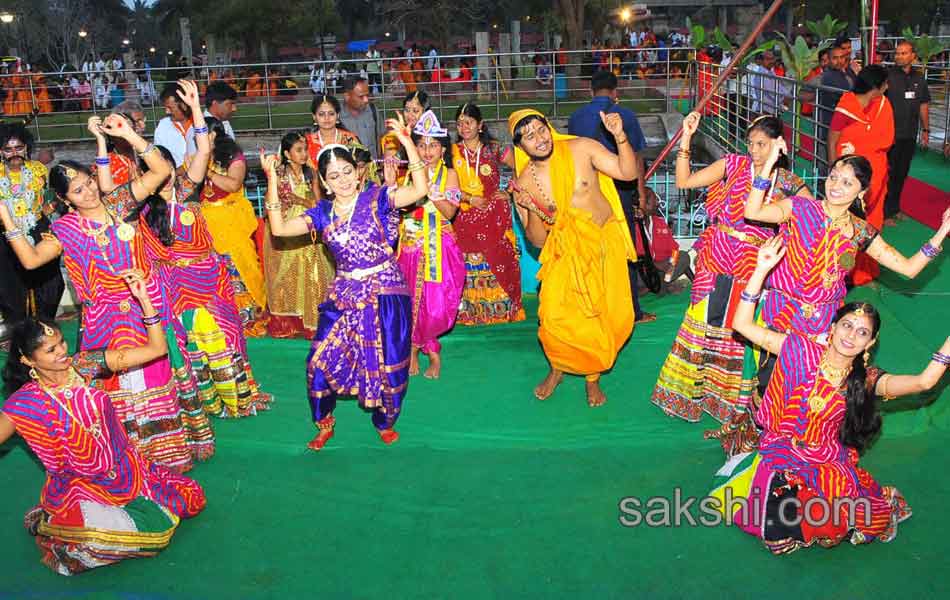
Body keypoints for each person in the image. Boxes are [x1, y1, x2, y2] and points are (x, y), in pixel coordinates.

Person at [0, 118, 214, 472]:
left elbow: (160, 170)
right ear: (64, 200)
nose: (88, 192)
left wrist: (127, 135)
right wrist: (8, 222)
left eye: (87, 183)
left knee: (156, 372)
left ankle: (168, 452)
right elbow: (31, 259)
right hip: (103, 318)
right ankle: (129, 454)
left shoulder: (120, 202)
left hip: (144, 304)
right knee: (114, 385)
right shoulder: (64, 229)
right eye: (78, 191)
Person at [712, 239, 949, 554]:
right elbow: (741, 324)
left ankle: (871, 506)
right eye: (847, 325)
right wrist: (762, 269)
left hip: (825, 463)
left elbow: (924, 382)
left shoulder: (865, 380)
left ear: (870, 343)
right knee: (772, 529)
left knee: (820, 520)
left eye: (861, 332)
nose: (851, 335)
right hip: (780, 453)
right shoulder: (799, 349)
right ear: (833, 326)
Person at [0, 272, 206, 575]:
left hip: (127, 472)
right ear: (28, 361)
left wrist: (145, 301)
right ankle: (52, 520)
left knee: (188, 501)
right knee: (103, 538)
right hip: (79, 486)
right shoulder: (25, 404)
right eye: (51, 350)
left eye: (60, 343)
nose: (62, 353)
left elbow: (156, 350)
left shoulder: (84, 366)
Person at [101, 82, 271, 419]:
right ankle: (204, 403)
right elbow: (108, 190)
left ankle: (239, 396)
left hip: (209, 279)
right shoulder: (141, 209)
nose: (164, 179)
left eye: (167, 171)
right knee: (190, 344)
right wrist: (103, 143)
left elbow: (204, 152)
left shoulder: (188, 194)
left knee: (225, 336)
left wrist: (195, 108)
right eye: (154, 172)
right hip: (174, 286)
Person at [262, 114, 428, 451]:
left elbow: (421, 190)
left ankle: (385, 421)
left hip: (385, 292)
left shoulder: (379, 198)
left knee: (389, 363)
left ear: (358, 172)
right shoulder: (321, 213)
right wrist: (271, 180)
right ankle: (324, 421)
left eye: (348, 172)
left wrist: (408, 143)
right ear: (323, 182)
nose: (343, 181)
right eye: (334, 176)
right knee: (319, 360)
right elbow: (278, 230)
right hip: (345, 293)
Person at [651, 113, 811, 425]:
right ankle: (687, 396)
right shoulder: (733, 165)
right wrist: (686, 137)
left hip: (754, 268)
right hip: (716, 257)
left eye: (762, 144)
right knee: (703, 322)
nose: (754, 150)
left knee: (739, 332)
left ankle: (730, 405)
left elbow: (814, 221)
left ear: (779, 145)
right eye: (751, 143)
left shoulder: (788, 184)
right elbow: (684, 181)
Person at [509, 108, 639, 407]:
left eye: (540, 129)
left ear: (549, 127)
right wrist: (529, 208)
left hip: (603, 245)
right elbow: (538, 241)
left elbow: (627, 172)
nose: (539, 139)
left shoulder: (583, 148)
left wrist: (619, 135)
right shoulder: (525, 182)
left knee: (604, 316)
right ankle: (557, 367)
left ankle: (592, 378)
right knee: (554, 317)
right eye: (529, 137)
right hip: (564, 253)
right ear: (520, 147)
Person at [568, 70, 654, 323]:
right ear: (616, 92)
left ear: (590, 91)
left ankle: (590, 308)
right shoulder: (624, 115)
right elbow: (636, 159)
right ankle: (632, 312)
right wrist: (640, 193)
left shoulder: (576, 117)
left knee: (589, 248)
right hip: (620, 188)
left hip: (586, 190)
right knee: (624, 248)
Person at [392, 111, 466, 378]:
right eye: (421, 145)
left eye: (433, 144)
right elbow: (399, 209)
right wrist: (392, 183)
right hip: (412, 244)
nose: (427, 151)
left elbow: (450, 213)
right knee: (411, 297)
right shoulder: (408, 175)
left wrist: (431, 192)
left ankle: (431, 346)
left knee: (437, 302)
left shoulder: (451, 175)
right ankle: (414, 347)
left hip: (440, 245)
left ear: (442, 149)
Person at [452, 102, 524, 325]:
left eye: (469, 122)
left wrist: (510, 191)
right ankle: (469, 311)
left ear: (480, 125)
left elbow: (522, 165)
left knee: (500, 257)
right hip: (462, 212)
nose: (464, 127)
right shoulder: (451, 151)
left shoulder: (493, 148)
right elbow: (443, 183)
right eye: (460, 123)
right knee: (465, 260)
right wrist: (468, 199)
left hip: (494, 213)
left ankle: (502, 310)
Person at [199, 117, 267, 337]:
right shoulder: (197, 158)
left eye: (199, 134)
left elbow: (233, 184)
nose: (195, 139)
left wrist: (206, 172)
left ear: (212, 135)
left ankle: (249, 321)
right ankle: (221, 325)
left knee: (240, 266)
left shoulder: (232, 156)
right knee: (214, 272)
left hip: (231, 222)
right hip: (206, 226)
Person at [828, 65, 894, 286]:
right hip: (849, 176)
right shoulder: (847, 105)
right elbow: (833, 138)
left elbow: (887, 139)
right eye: (885, 84)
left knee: (871, 220)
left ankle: (864, 268)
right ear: (876, 87)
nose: (887, 87)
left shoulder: (882, 106)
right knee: (848, 223)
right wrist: (834, 168)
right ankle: (843, 271)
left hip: (875, 174)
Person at [264, 131, 334, 338]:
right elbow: (273, 201)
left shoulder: (310, 173)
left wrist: (302, 199)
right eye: (299, 150)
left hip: (308, 225)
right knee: (288, 274)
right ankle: (291, 320)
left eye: (305, 150)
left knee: (314, 269)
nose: (304, 154)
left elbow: (318, 202)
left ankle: (314, 319)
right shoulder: (279, 174)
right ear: (287, 153)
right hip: (286, 226)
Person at [0, 123, 63, 325]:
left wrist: (49, 210)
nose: (14, 154)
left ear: (27, 147)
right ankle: (19, 330)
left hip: (38, 230)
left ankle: (44, 325)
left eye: (19, 148)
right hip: (5, 235)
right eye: (8, 149)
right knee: (11, 287)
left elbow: (48, 199)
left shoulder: (38, 170)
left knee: (52, 284)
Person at [884, 40, 930, 226]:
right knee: (887, 174)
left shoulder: (920, 79)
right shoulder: (887, 77)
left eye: (904, 53)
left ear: (913, 56)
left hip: (909, 135)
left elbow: (923, 105)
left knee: (901, 173)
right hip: (890, 135)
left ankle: (895, 208)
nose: (900, 56)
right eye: (898, 53)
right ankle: (884, 212)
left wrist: (926, 129)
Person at [632, 187, 693, 295]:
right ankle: (660, 287)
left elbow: (675, 250)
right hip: (642, 274)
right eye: (654, 200)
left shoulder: (660, 223)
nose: (658, 204)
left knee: (683, 257)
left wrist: (671, 265)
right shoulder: (631, 226)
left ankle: (657, 287)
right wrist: (656, 264)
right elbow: (633, 258)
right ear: (643, 204)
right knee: (633, 272)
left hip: (661, 274)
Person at [93, 101, 148, 191]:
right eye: (137, 122)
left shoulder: (145, 150)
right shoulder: (107, 163)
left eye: (143, 120)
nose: (143, 126)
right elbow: (108, 191)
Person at [305, 94, 358, 169]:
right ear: (314, 117)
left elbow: (362, 166)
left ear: (338, 115)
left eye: (331, 114)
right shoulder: (306, 142)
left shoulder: (350, 139)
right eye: (321, 114)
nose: (327, 118)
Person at [338, 76, 384, 160]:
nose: (366, 100)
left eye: (367, 95)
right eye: (361, 96)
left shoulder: (373, 111)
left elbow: (383, 136)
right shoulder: (336, 117)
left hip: (373, 168)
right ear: (347, 96)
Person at [154, 82, 196, 171]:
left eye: (170, 108)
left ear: (184, 105)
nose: (167, 112)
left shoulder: (201, 124)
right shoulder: (163, 127)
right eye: (165, 108)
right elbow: (159, 159)